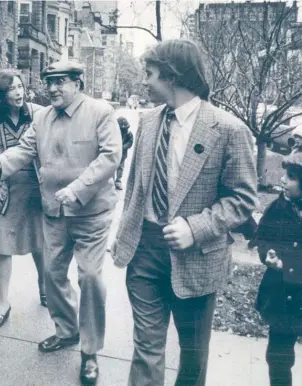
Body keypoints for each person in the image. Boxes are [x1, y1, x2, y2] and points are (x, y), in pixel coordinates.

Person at [111, 39, 258, 386]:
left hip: (197, 257)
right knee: (146, 349)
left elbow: (243, 199)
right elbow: (135, 187)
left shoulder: (228, 129)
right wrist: (123, 235)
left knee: (192, 356)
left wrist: (196, 227)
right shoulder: (147, 123)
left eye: (149, 73)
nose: (144, 81)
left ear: (171, 75)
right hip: (145, 251)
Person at [0, 61, 122, 385]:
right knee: (52, 274)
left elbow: (110, 158)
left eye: (60, 82)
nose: (53, 88)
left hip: (91, 213)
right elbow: (22, 151)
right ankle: (67, 331)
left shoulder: (101, 112)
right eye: (49, 82)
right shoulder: (42, 117)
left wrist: (78, 189)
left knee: (88, 277)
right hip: (54, 212)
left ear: (78, 82)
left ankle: (89, 351)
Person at [0, 70, 47, 329]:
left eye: (21, 87)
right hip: (7, 190)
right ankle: (3, 302)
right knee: (4, 248)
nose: (19, 92)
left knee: (40, 245)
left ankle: (45, 290)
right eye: (12, 89)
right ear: (1, 94)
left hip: (36, 188)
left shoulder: (39, 114)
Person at [249, 153, 302, 386]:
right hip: (283, 298)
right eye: (284, 174)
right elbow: (263, 237)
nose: (283, 180)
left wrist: (288, 265)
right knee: (278, 357)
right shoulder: (278, 207)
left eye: (291, 177)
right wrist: (268, 255)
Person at [115, 116, 134, 190]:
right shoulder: (113, 133)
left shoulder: (129, 134)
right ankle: (110, 182)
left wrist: (123, 147)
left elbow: (130, 142)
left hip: (122, 154)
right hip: (113, 153)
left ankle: (118, 181)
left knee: (120, 167)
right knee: (111, 167)